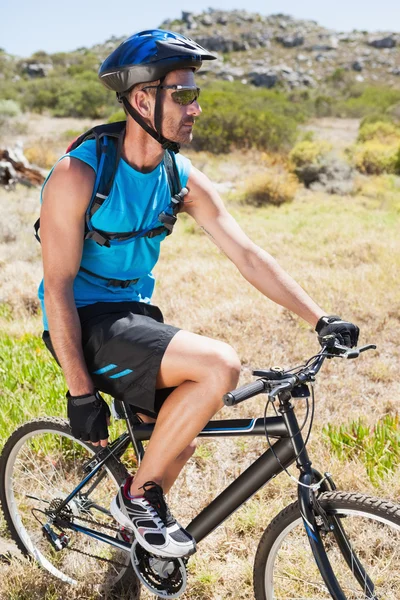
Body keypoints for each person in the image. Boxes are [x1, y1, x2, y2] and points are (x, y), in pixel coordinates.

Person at [38, 29, 359, 560]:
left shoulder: (178, 175)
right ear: (143, 99)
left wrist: (320, 318)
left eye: (195, 95)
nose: (197, 109)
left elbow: (248, 254)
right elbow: (57, 288)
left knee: (179, 439)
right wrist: (80, 393)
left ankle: (133, 536)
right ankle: (138, 500)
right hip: (83, 318)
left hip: (136, 314)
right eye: (183, 95)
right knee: (218, 366)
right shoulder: (79, 175)